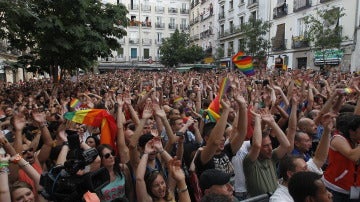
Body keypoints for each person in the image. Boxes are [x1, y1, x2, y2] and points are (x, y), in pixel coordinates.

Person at [243, 109, 290, 197]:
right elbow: (256, 144)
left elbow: (286, 145)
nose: (270, 148)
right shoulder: (249, 162)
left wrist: (272, 123)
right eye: (265, 146)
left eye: (270, 144)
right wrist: (257, 120)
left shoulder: (272, 157)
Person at [323, 112, 360, 201]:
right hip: (335, 188)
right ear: (351, 131)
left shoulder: (355, 139)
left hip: (354, 188)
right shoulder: (338, 139)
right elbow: (353, 156)